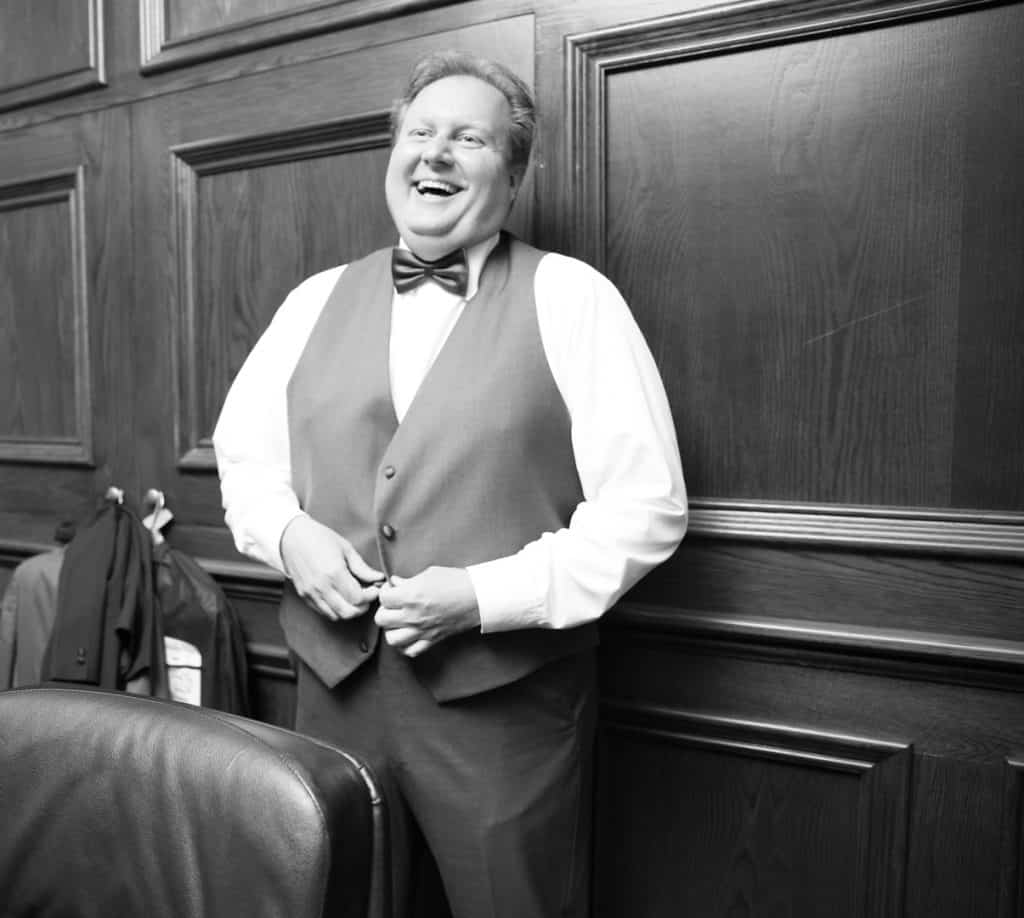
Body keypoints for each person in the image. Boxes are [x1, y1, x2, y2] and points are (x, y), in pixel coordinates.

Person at [212, 50, 687, 918]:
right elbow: (245, 462)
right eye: (419, 132)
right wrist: (289, 537)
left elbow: (647, 507)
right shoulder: (313, 299)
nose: (435, 153)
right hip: (332, 696)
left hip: (504, 712)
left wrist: (482, 594)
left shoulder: (575, 299)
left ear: (512, 174)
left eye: (468, 138)